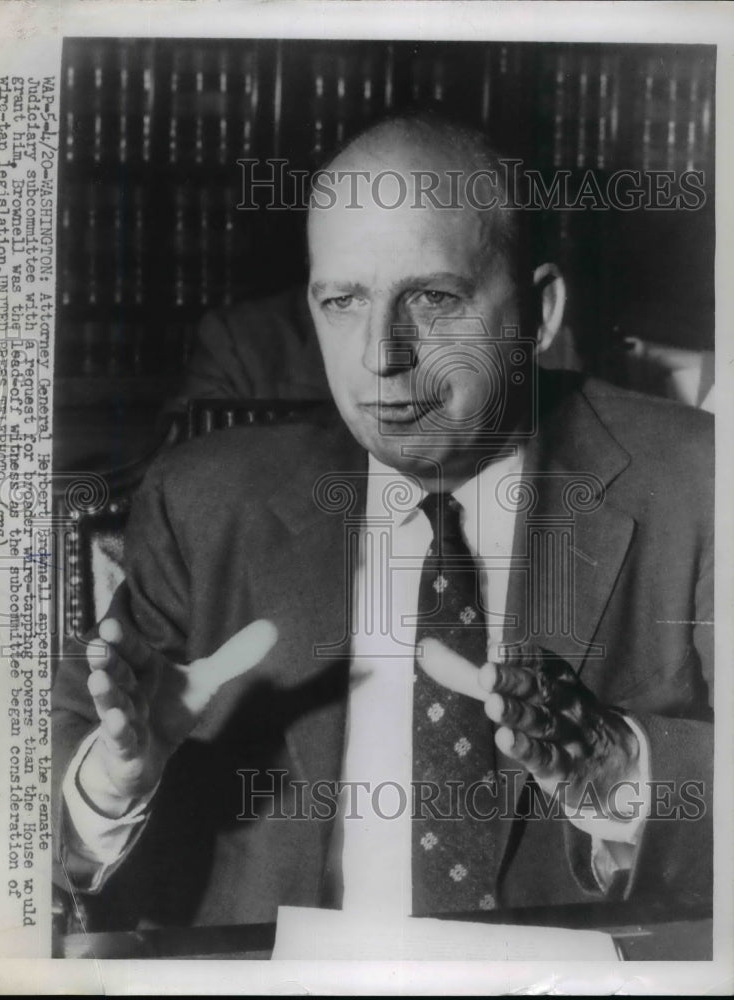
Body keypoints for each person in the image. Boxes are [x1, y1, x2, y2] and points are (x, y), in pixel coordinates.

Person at [53, 114, 713, 931]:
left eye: (432, 298)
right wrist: (111, 785)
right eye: (343, 302)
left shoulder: (695, 480)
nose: (380, 355)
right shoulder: (205, 501)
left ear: (538, 313)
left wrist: (622, 772)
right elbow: (29, 810)